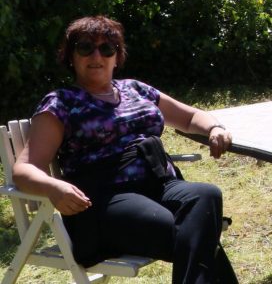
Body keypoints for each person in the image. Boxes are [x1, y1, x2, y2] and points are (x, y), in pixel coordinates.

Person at [12, 16, 237, 284]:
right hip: (105, 198)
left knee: (206, 195)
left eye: (107, 49)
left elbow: (189, 118)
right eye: (85, 47)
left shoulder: (134, 89)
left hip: (160, 184)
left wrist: (215, 128)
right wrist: (53, 187)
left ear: (117, 57)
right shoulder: (61, 103)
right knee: (192, 231)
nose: (97, 55)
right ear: (71, 56)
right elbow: (24, 169)